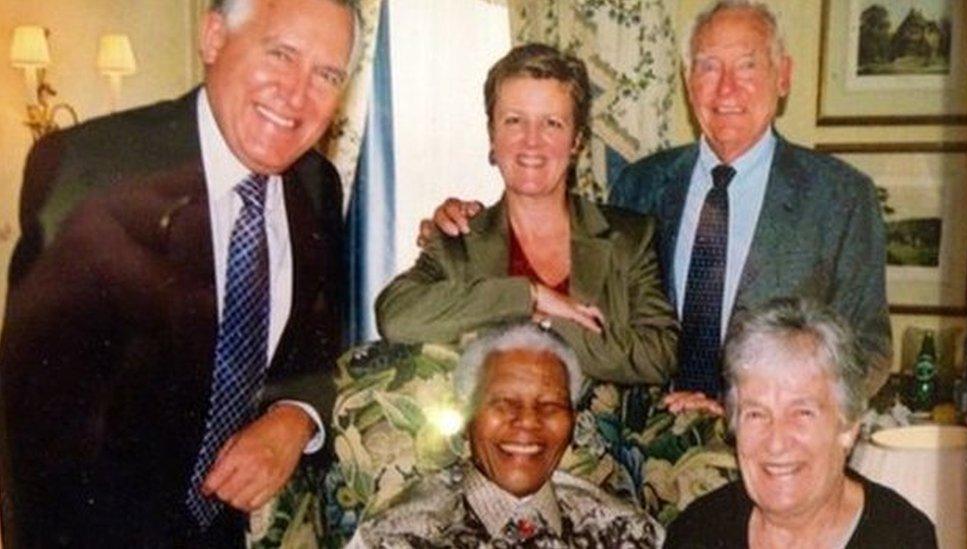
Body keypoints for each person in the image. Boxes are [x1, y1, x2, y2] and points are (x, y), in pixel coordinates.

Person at [0, 0, 354, 546]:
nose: (297, 94)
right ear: (213, 39)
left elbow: (317, 338)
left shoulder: (317, 187)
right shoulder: (89, 168)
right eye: (281, 53)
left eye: (326, 74)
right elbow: (35, 431)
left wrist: (296, 415)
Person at [426, 1, 891, 403]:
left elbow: (868, 350)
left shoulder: (840, 198)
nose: (726, 89)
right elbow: (560, 244)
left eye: (748, 65)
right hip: (643, 449)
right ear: (688, 80)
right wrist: (470, 222)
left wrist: (758, 409)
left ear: (783, 76)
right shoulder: (640, 184)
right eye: (708, 67)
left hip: (771, 447)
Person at [376, 43, 679, 385]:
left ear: (577, 141)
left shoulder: (629, 237)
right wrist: (529, 296)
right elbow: (395, 316)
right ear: (492, 136)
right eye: (514, 121)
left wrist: (543, 322)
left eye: (551, 123)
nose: (531, 142)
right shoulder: (459, 239)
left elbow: (659, 355)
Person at [349, 324, 663, 547]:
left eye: (550, 405)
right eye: (504, 403)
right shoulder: (395, 537)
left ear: (574, 423)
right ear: (468, 417)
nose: (527, 421)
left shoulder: (628, 533)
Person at [664, 298, 936, 548]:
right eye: (756, 414)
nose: (776, 442)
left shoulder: (903, 538)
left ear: (848, 427)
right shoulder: (697, 532)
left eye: (802, 413)